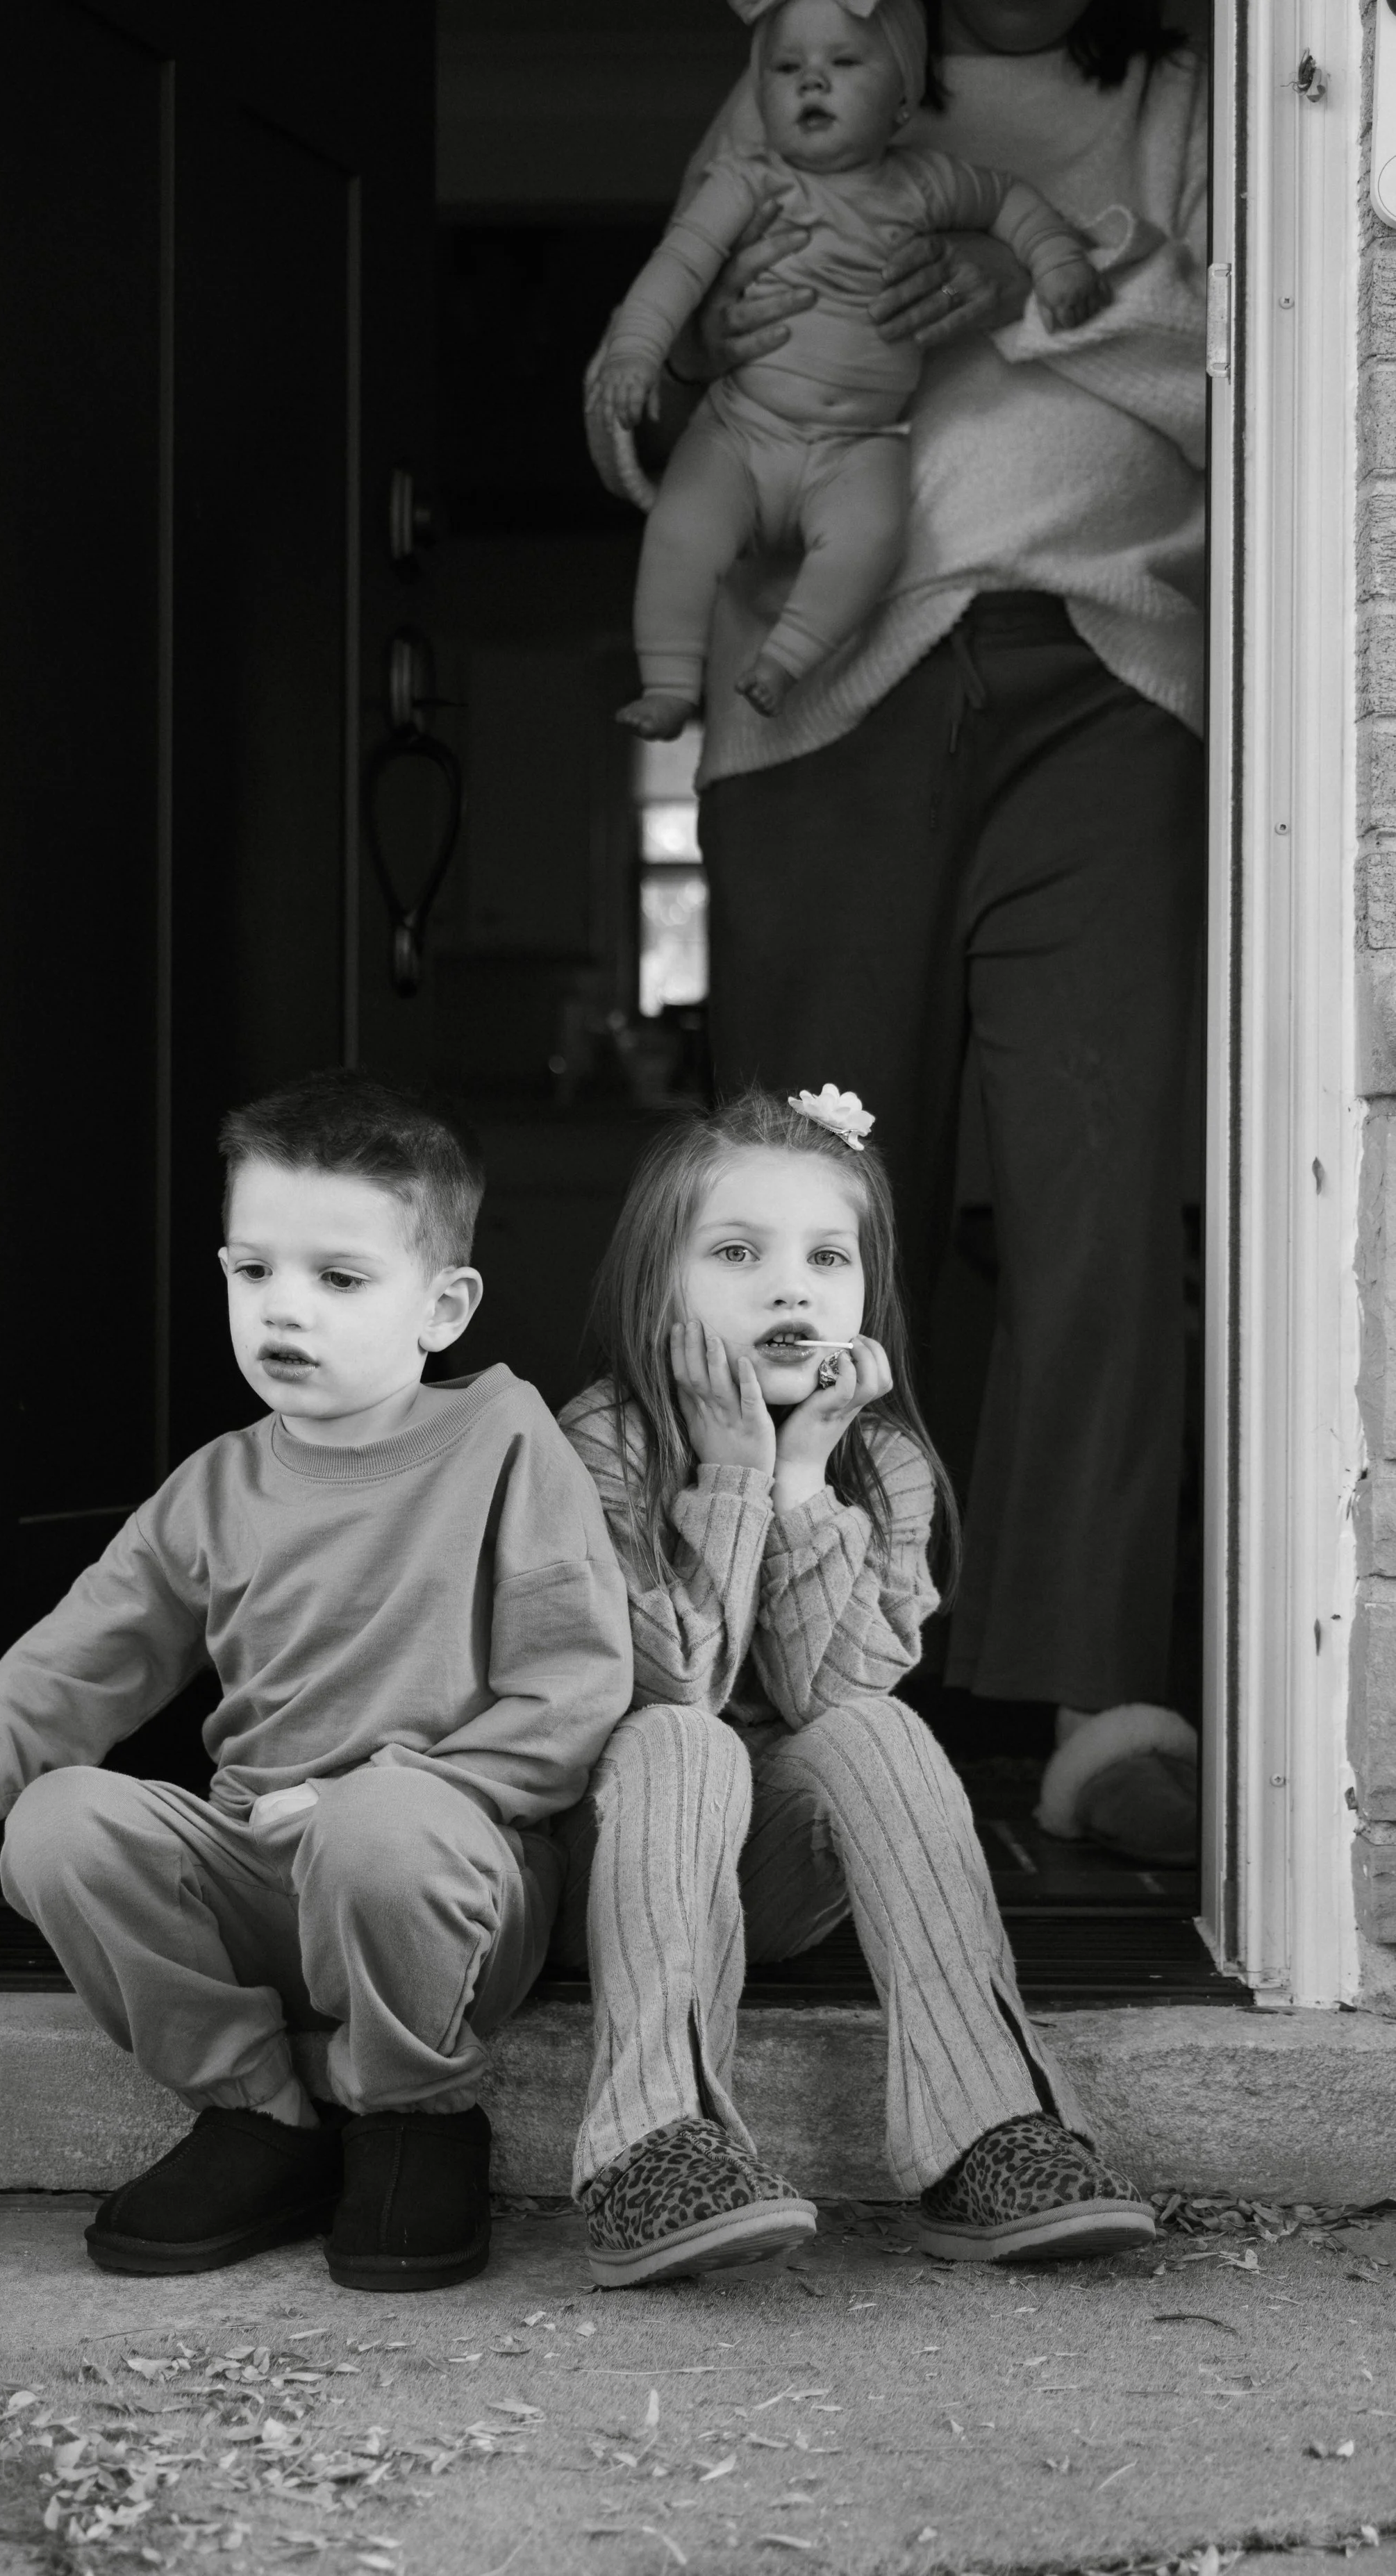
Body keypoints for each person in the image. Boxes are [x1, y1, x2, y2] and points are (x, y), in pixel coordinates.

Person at [592, 0, 1206, 1858]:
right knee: (801, 1217)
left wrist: (1010, 289)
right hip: (821, 693)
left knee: (1103, 1185)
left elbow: (1261, 363)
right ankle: (815, 1693)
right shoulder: (817, 63)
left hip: (1107, 674)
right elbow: (705, 329)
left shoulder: (1197, 100)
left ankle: (1105, 1703)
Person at [0, 1071, 633, 2293]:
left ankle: (414, 2111)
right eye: (252, 1272)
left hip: (438, 1880)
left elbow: (569, 1694)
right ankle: (265, 2115)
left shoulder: (511, 1446)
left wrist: (392, 1789)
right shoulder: (218, 1486)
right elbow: (63, 1674)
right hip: (260, 1865)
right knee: (56, 1824)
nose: (283, 1311)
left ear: (444, 1305)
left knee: (380, 1832)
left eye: (339, 1279)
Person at [554, 1085, 1156, 2283]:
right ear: (657, 1286)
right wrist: (725, 1473)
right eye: (738, 1253)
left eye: (827, 1257)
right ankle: (650, 2142)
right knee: (691, 1742)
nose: (792, 1287)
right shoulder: (600, 1443)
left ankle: (985, 2129)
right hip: (608, 1866)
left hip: (771, 1881)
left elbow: (831, 1695)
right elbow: (670, 1683)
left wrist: (798, 1481)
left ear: (868, 1290)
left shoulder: (880, 1464)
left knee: (875, 1728)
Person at [591, 0, 1104, 737]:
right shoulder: (744, 183)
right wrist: (643, 351)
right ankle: (669, 682)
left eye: (842, 65)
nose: (811, 85)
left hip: (860, 442)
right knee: (680, 528)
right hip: (742, 428)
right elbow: (676, 265)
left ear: (902, 100)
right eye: (787, 70)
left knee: (869, 537)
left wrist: (1055, 262)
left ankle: (785, 660)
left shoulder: (925, 183)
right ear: (757, 94)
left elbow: (1012, 202)